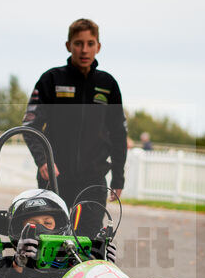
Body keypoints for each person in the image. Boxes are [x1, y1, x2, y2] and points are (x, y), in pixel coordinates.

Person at [22, 18, 128, 238]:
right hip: (55, 177)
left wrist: (118, 177)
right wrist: (43, 160)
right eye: (78, 43)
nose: (84, 49)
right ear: (68, 45)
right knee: (50, 240)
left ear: (98, 46)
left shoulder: (108, 85)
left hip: (93, 180)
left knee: (88, 242)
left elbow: (119, 134)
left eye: (90, 43)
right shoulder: (51, 79)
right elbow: (30, 124)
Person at [0, 189, 115, 278]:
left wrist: (101, 267)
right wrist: (18, 265)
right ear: (20, 230)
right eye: (32, 224)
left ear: (60, 224)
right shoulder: (7, 266)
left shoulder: (74, 262)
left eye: (47, 223)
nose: (41, 229)